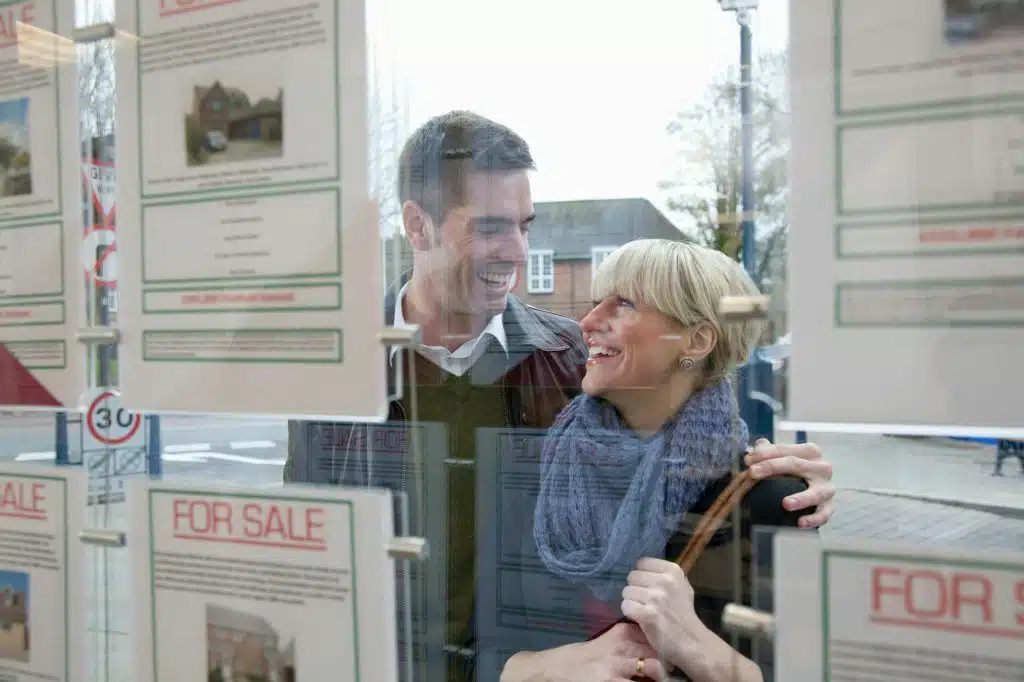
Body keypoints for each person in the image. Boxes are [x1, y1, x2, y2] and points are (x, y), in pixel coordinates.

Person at [284, 110, 837, 682]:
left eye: (525, 225)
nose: (519, 252)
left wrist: (788, 488)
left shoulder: (577, 365)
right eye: (492, 227)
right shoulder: (334, 374)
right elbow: (308, 558)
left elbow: (687, 437)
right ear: (418, 227)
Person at [508, 238, 807, 682]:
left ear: (699, 339)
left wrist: (695, 646)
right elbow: (482, 648)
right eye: (595, 303)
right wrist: (542, 669)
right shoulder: (544, 471)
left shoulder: (769, 499)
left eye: (624, 304)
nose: (588, 321)